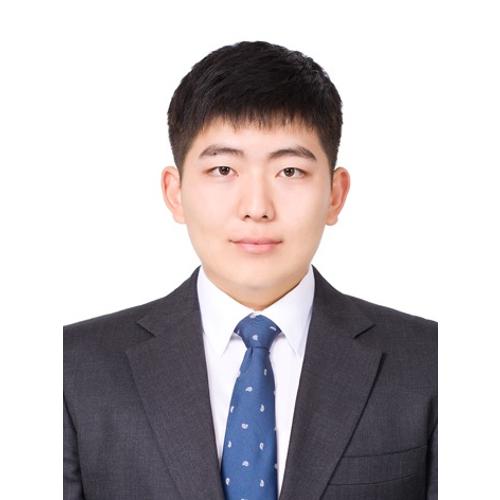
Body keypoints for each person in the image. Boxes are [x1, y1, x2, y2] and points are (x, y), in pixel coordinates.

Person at [64, 41, 437, 500]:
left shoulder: (431, 363)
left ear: (335, 195)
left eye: (290, 172)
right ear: (176, 193)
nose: (257, 207)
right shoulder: (71, 368)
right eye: (223, 169)